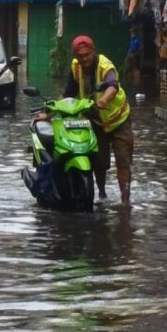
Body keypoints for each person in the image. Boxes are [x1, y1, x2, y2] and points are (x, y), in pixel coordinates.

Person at [38, 35, 134, 205]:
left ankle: (125, 201)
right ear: (75, 55)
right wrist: (49, 113)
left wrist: (103, 99)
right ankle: (102, 196)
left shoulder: (105, 65)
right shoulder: (75, 68)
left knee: (123, 160)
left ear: (93, 52)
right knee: (99, 162)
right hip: (95, 120)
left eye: (87, 55)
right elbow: (67, 94)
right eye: (80, 56)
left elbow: (112, 86)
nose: (84, 59)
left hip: (118, 119)